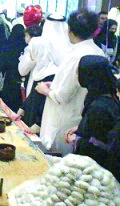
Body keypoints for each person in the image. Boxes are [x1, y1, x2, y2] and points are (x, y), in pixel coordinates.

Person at [36, 10, 105, 155]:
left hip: (64, 121)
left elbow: (62, 95)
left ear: (70, 30)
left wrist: (45, 90)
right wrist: (53, 86)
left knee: (57, 163)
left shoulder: (75, 55)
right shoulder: (99, 52)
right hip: (81, 120)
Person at [65, 55, 120, 180]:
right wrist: (80, 127)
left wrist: (76, 139)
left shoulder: (99, 107)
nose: (76, 74)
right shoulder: (107, 93)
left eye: (79, 71)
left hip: (96, 174)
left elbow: (98, 148)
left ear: (89, 75)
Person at [0, 24, 26, 112]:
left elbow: (2, 62)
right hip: (21, 78)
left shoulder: (8, 44)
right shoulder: (25, 46)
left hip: (9, 77)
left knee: (7, 100)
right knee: (18, 100)